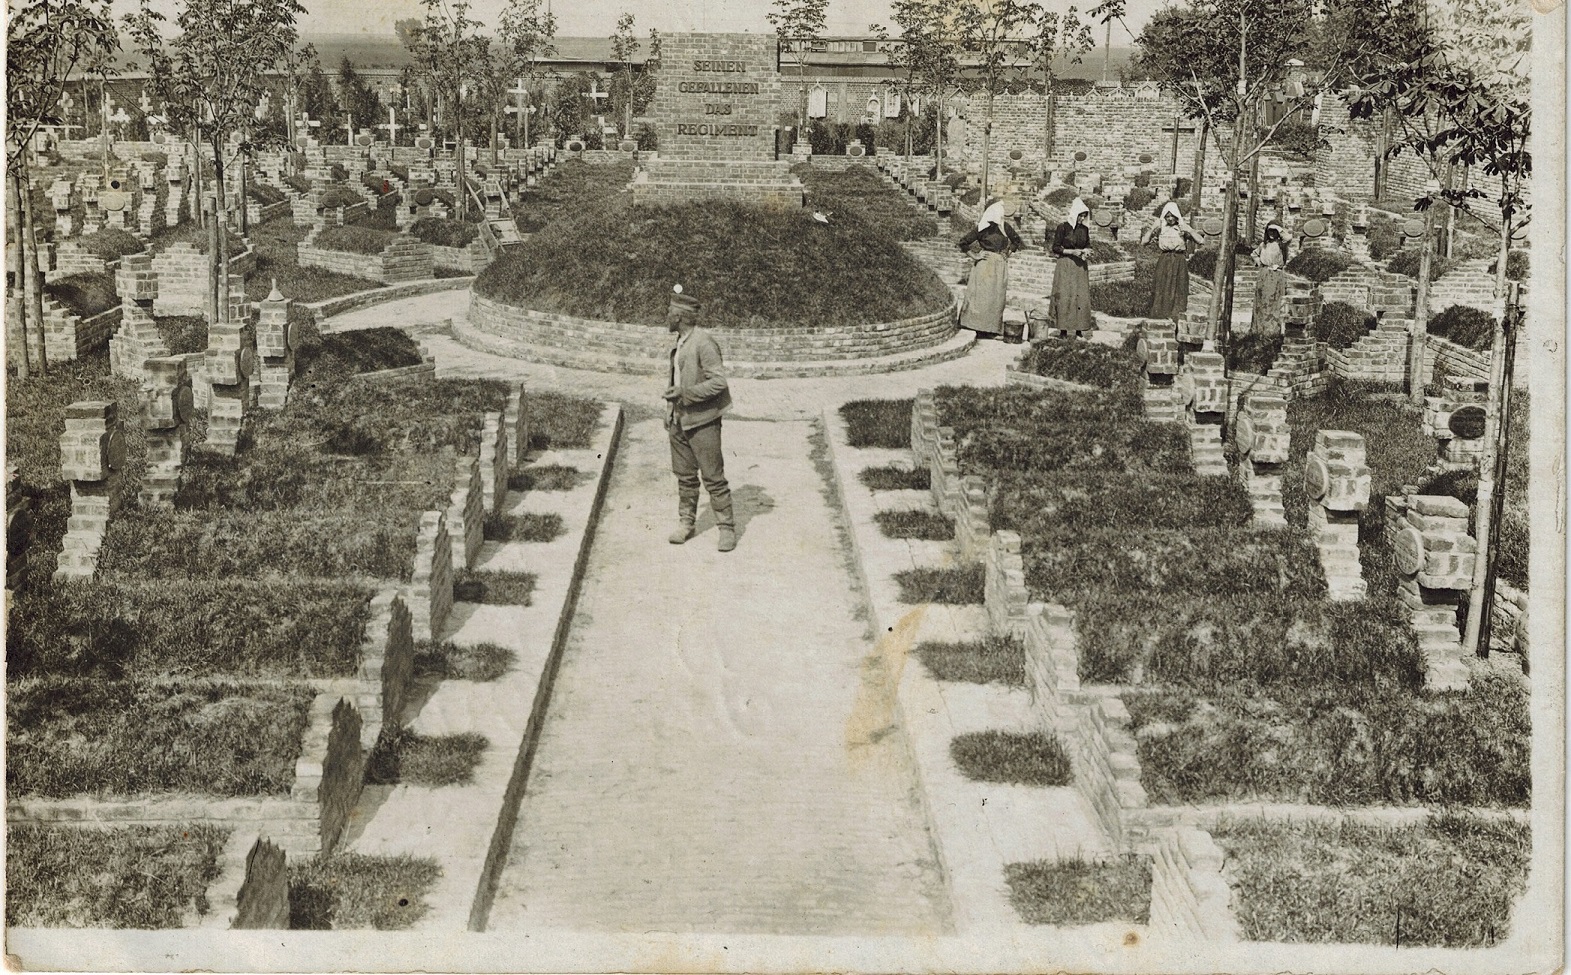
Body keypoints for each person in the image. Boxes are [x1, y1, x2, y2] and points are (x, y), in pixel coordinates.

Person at [664, 286, 737, 552]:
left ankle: (726, 528)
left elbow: (719, 382)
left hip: (702, 421)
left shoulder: (703, 343)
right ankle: (686, 523)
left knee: (713, 477)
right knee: (684, 477)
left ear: (680, 316)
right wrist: (670, 411)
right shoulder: (681, 343)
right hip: (678, 420)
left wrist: (686, 394)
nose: (666, 316)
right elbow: (675, 378)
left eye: (670, 312)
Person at [956, 198, 1026, 341]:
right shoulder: (982, 228)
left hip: (999, 265)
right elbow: (963, 243)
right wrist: (975, 256)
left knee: (996, 298)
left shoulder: (1005, 227)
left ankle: (991, 329)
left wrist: (1008, 252)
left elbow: (1017, 241)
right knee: (980, 298)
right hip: (984, 266)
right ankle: (974, 326)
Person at [1141, 201, 1202, 322]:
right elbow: (1143, 242)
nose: (1169, 219)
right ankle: (1161, 315)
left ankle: (1176, 315)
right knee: (1161, 285)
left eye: (1172, 216)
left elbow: (1200, 240)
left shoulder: (1182, 229)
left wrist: (1189, 230)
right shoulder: (1161, 229)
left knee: (1178, 286)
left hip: (1179, 261)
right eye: (1167, 216)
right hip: (1164, 260)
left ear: (1176, 216)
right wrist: (1153, 228)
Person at [1048, 198, 1095, 339]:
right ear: (1074, 214)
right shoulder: (1063, 227)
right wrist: (1071, 252)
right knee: (1065, 296)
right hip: (1065, 264)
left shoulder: (1084, 229)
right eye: (1080, 215)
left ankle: (1079, 329)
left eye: (1084, 216)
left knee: (1080, 296)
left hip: (1080, 266)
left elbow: (1088, 244)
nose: (1082, 219)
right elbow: (1055, 247)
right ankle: (1063, 329)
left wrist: (1087, 251)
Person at [1250, 222, 1290, 336]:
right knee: (1262, 301)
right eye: (1269, 231)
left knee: (1273, 301)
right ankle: (1259, 330)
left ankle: (1272, 331)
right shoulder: (1264, 244)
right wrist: (1260, 264)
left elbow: (1288, 237)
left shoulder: (1282, 244)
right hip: (1264, 274)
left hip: (1276, 275)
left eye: (1274, 231)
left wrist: (1277, 227)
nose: (1271, 233)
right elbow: (1254, 254)